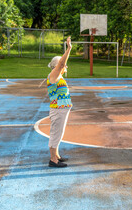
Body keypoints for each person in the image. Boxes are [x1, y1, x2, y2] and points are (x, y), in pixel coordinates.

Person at [46, 36, 73, 167]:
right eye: (62, 63)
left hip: (61, 110)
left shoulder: (58, 76)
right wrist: (69, 48)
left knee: (59, 133)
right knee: (56, 133)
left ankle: (56, 155)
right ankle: (53, 160)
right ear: (57, 65)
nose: (65, 65)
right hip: (58, 110)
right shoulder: (53, 74)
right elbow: (62, 63)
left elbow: (62, 64)